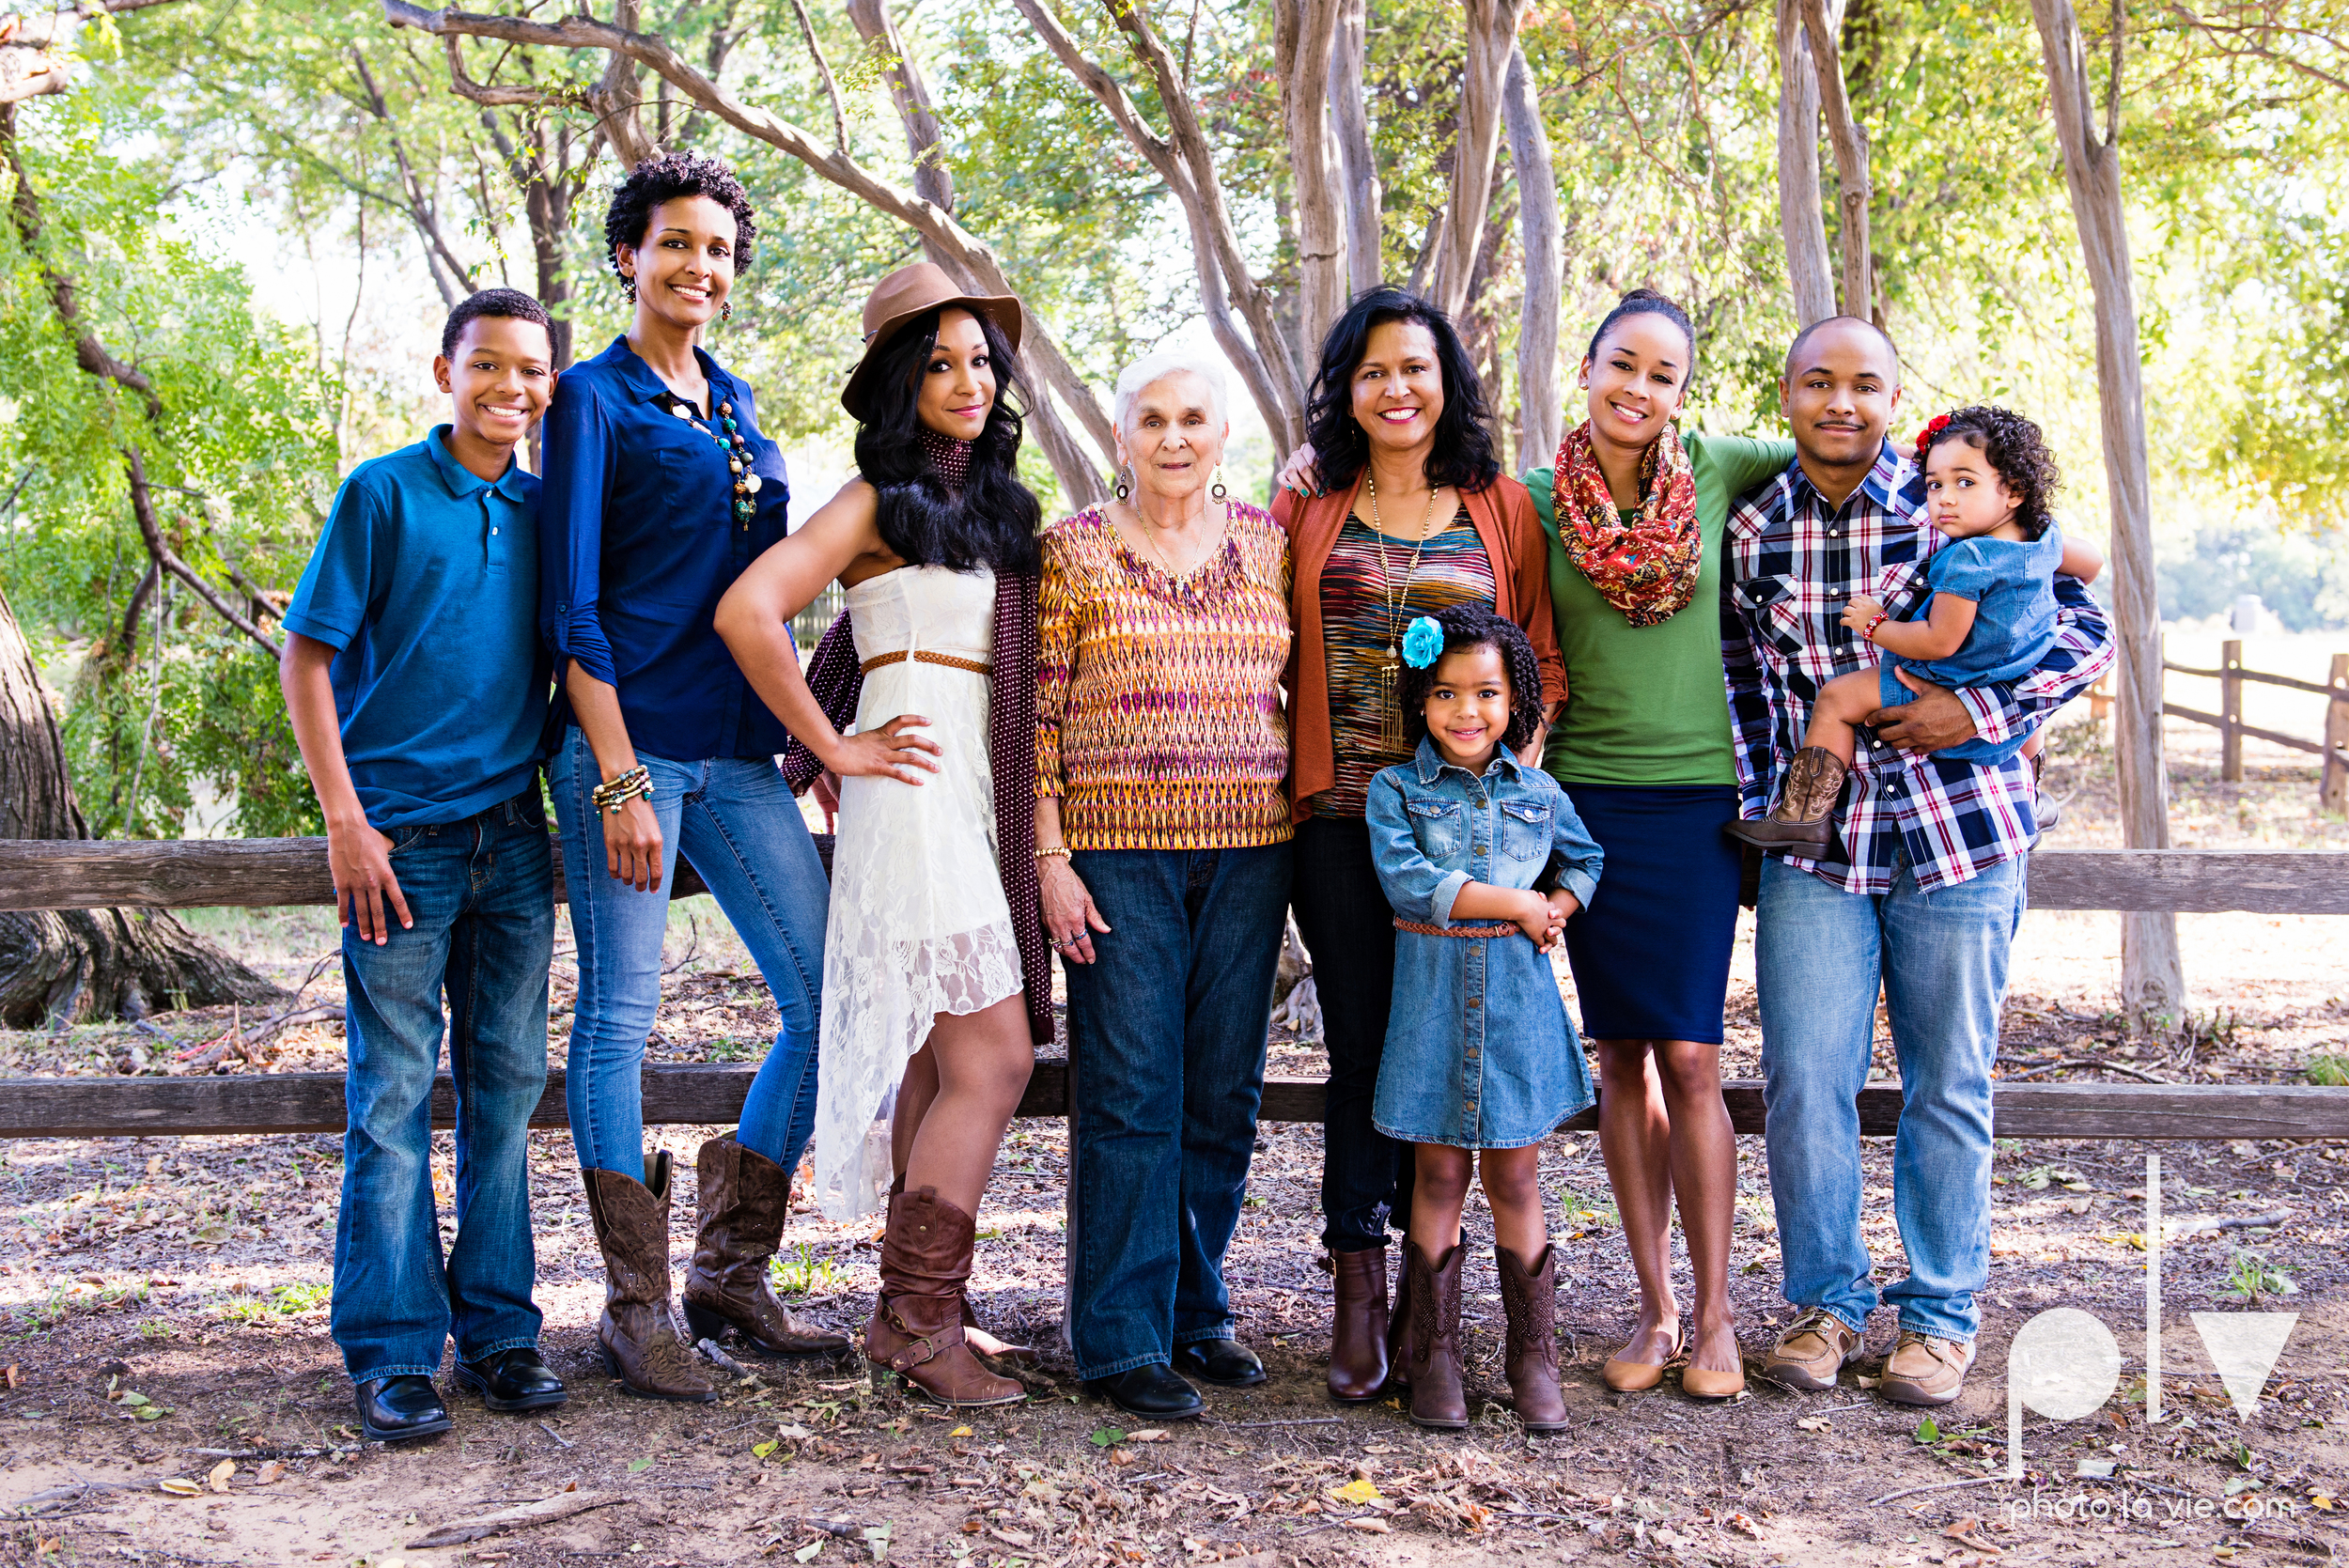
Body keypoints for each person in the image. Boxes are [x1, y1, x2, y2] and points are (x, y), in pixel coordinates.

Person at [1724, 318, 2114, 1407]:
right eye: (1817, 381)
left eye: (1864, 384)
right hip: (1820, 846)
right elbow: (1745, 681)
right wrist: (1775, 800)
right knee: (1806, 1079)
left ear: (1893, 397)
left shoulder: (1964, 495)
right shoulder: (1751, 523)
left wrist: (1974, 709)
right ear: (1789, 392)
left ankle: (1938, 1316)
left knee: (1949, 1079)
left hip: (1964, 833)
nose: (1840, 402)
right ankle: (1825, 1303)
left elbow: (2090, 628)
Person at [540, 153, 847, 1406]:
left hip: (736, 756)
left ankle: (731, 1272)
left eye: (719, 249)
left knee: (830, 992)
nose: (698, 267)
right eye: (676, 244)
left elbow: (768, 596)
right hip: (632, 748)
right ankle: (636, 1304)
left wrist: (809, 736)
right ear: (630, 254)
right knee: (621, 1017)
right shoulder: (589, 399)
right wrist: (615, 774)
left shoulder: (735, 401)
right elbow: (571, 604)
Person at [714, 261, 1047, 1409]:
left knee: (935, 1060)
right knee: (995, 1059)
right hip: (908, 800)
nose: (965, 380)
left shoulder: (999, 509)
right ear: (900, 383)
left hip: (979, 796)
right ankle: (917, 1321)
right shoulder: (869, 503)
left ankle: (913, 1313)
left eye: (978, 360)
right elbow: (749, 610)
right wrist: (835, 744)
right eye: (939, 361)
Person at [280, 287, 568, 1442]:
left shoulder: (550, 512)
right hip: (397, 846)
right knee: (392, 1095)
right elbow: (306, 662)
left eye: (531, 372)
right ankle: (395, 1350)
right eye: (488, 366)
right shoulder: (382, 492)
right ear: (445, 372)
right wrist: (344, 818)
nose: (511, 389)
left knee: (504, 1092)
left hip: (514, 837)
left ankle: (499, 1329)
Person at [1270, 287, 1565, 1405]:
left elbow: (1534, 652)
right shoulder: (1309, 503)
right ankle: (1361, 1287)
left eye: (1417, 368)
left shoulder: (1497, 504)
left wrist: (1513, 802)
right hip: (1343, 822)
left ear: (1449, 384)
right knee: (1369, 1050)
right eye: (1373, 371)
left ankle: (1430, 1312)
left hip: (1474, 834)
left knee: (1462, 1050)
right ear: (1345, 390)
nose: (1397, 389)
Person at [1517, 288, 1795, 1401]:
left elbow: (1863, 446)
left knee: (1690, 1056)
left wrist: (2031, 536)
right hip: (1583, 806)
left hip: (1694, 803)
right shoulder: (1531, 500)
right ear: (1584, 370)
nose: (1639, 389)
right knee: (1619, 1056)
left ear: (1685, 390)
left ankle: (1720, 1311)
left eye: (1662, 374)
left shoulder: (1724, 469)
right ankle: (1655, 1306)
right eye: (1620, 365)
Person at [1034, 352, 1295, 1421]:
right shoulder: (1071, 553)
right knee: (1133, 1092)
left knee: (1221, 1093)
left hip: (1250, 853)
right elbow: (1035, 723)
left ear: (1223, 435)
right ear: (1122, 435)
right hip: (1114, 855)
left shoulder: (1272, 548)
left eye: (1194, 419)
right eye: (1153, 420)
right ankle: (1117, 1336)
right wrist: (1048, 859)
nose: (1174, 437)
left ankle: (1196, 1308)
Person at [1366, 605, 1601, 1432]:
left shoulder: (1539, 792)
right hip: (1432, 1012)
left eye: (1486, 694)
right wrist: (1519, 903)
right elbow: (1409, 881)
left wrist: (1562, 905)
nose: (1466, 712)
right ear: (1421, 702)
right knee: (1436, 1177)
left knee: (1516, 1177)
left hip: (1517, 1015)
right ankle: (1434, 1356)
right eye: (1446, 694)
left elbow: (1586, 857)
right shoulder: (1394, 791)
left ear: (1515, 700)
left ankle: (1533, 1355)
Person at [1729, 403, 2102, 847]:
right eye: (1934, 484)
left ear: (2014, 491)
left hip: (1947, 677)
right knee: (2031, 709)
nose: (1945, 498)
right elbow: (2092, 564)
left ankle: (1804, 815)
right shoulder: (2042, 539)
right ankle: (2034, 794)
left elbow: (1939, 641)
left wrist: (1875, 626)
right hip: (2010, 676)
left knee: (1837, 699)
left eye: (1965, 483)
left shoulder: (1969, 558)